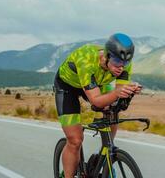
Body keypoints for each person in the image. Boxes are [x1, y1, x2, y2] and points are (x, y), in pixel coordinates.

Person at [53, 33, 142, 178]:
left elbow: (118, 96)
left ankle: (107, 153)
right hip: (68, 87)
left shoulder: (124, 64)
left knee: (113, 110)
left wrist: (129, 92)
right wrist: (118, 92)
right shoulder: (86, 60)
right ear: (106, 56)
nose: (120, 67)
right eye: (116, 61)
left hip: (97, 84)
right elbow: (96, 100)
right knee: (75, 140)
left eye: (124, 63)